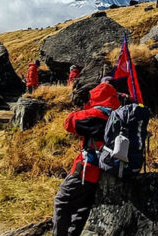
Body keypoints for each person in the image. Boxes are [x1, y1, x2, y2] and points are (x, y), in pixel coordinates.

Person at [53, 81, 120, 235]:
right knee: (82, 207)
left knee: (62, 201)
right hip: (106, 171)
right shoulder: (117, 116)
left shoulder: (96, 114)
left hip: (86, 169)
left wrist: (84, 108)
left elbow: (69, 123)